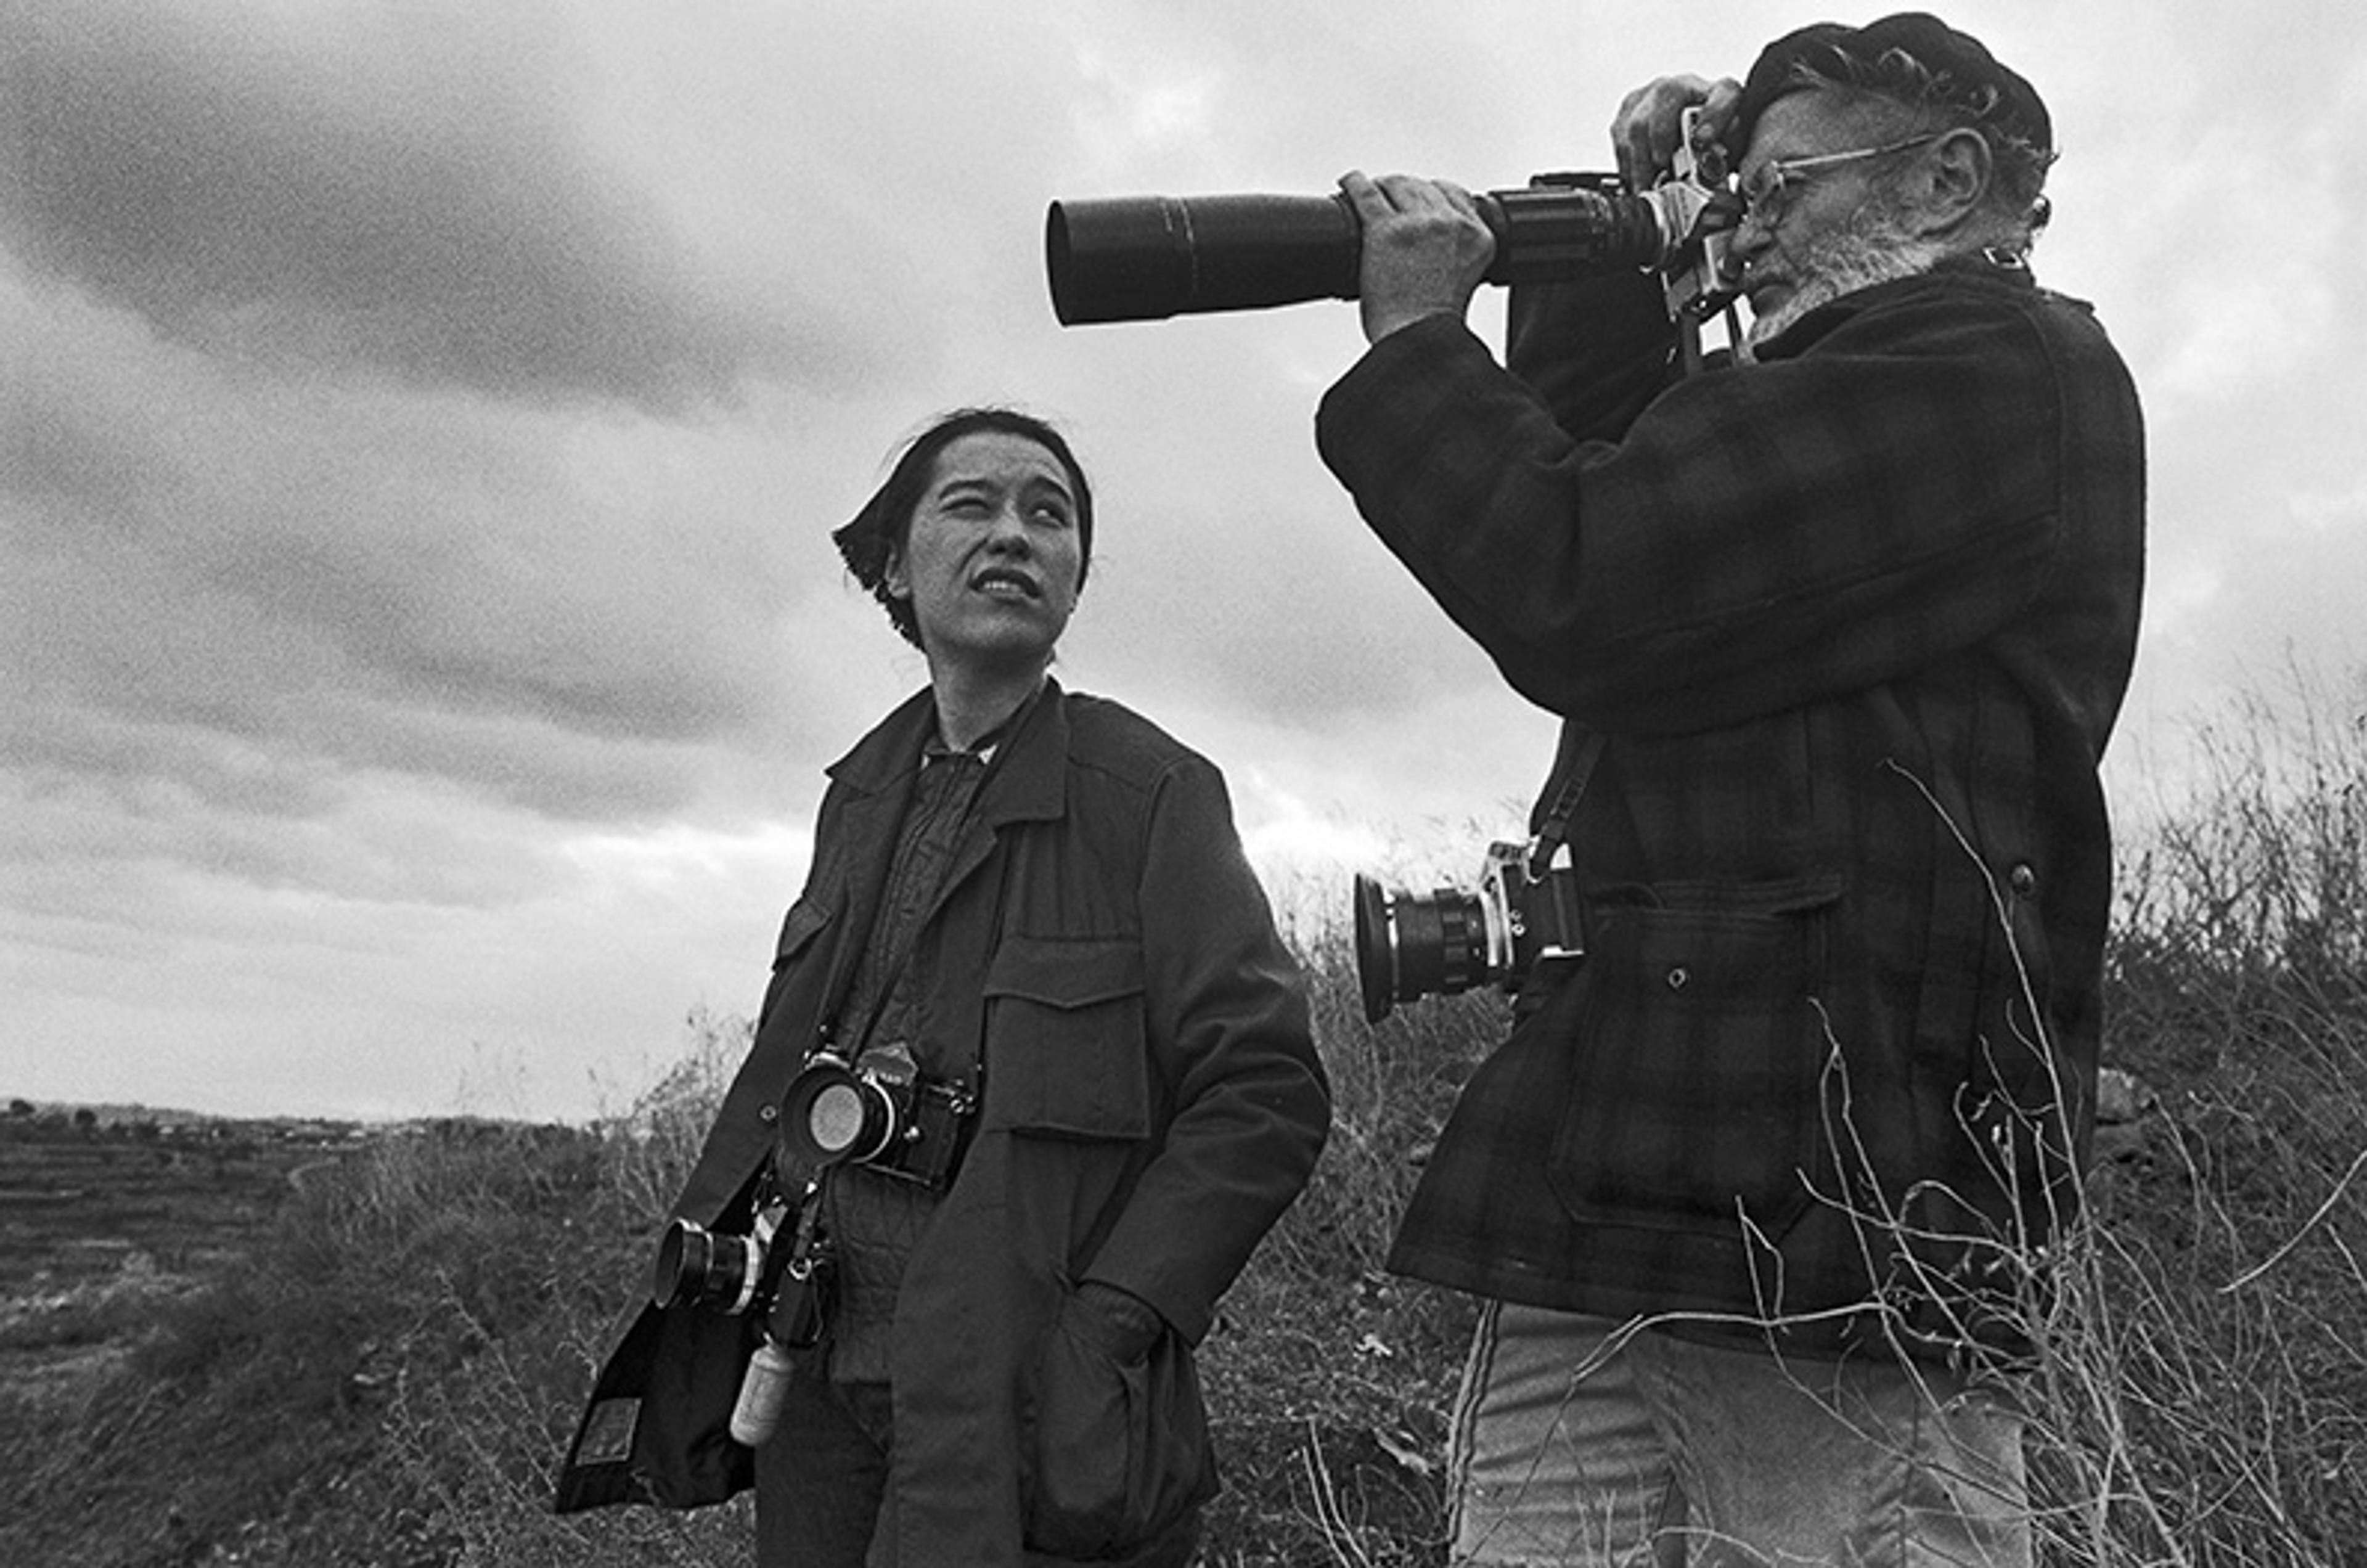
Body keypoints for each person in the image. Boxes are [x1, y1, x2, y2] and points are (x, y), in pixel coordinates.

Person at [1315, 14, 2143, 1566]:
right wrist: (1606, 243)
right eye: (1734, 191)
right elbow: (1615, 473)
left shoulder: (1993, 368)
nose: (1742, 224)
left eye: (1780, 184)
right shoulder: (1826, 387)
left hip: (1831, 1229)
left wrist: (1422, 345)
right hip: (1637, 1198)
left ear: (1954, 177)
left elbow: (1591, 574)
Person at [554, 407, 1331, 1566]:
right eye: (972, 505)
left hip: (1027, 1395)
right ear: (895, 566)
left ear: (1075, 580)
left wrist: (1112, 1323)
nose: (1014, 533)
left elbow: (1265, 1091)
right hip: (812, 1376)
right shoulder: (857, 796)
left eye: (1049, 513)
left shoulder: (1154, 793)